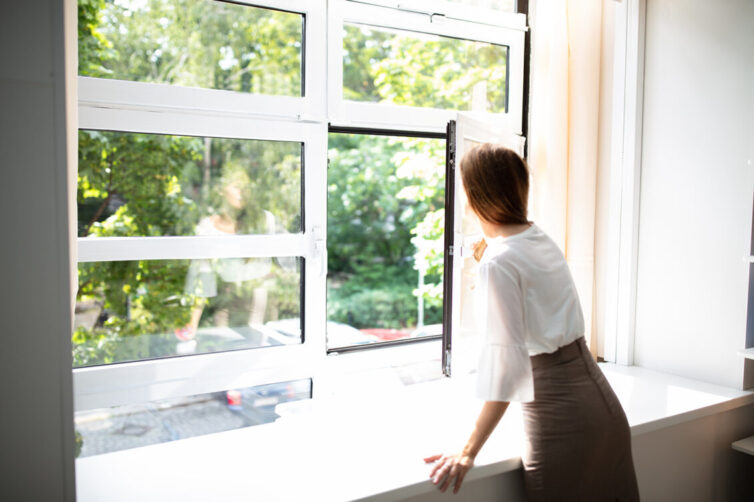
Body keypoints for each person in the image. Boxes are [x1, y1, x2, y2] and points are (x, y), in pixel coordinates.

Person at [424, 144, 640, 501]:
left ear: (475, 195)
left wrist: (466, 451)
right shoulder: (536, 237)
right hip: (602, 408)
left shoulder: (498, 261)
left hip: (562, 419)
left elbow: (508, 373)